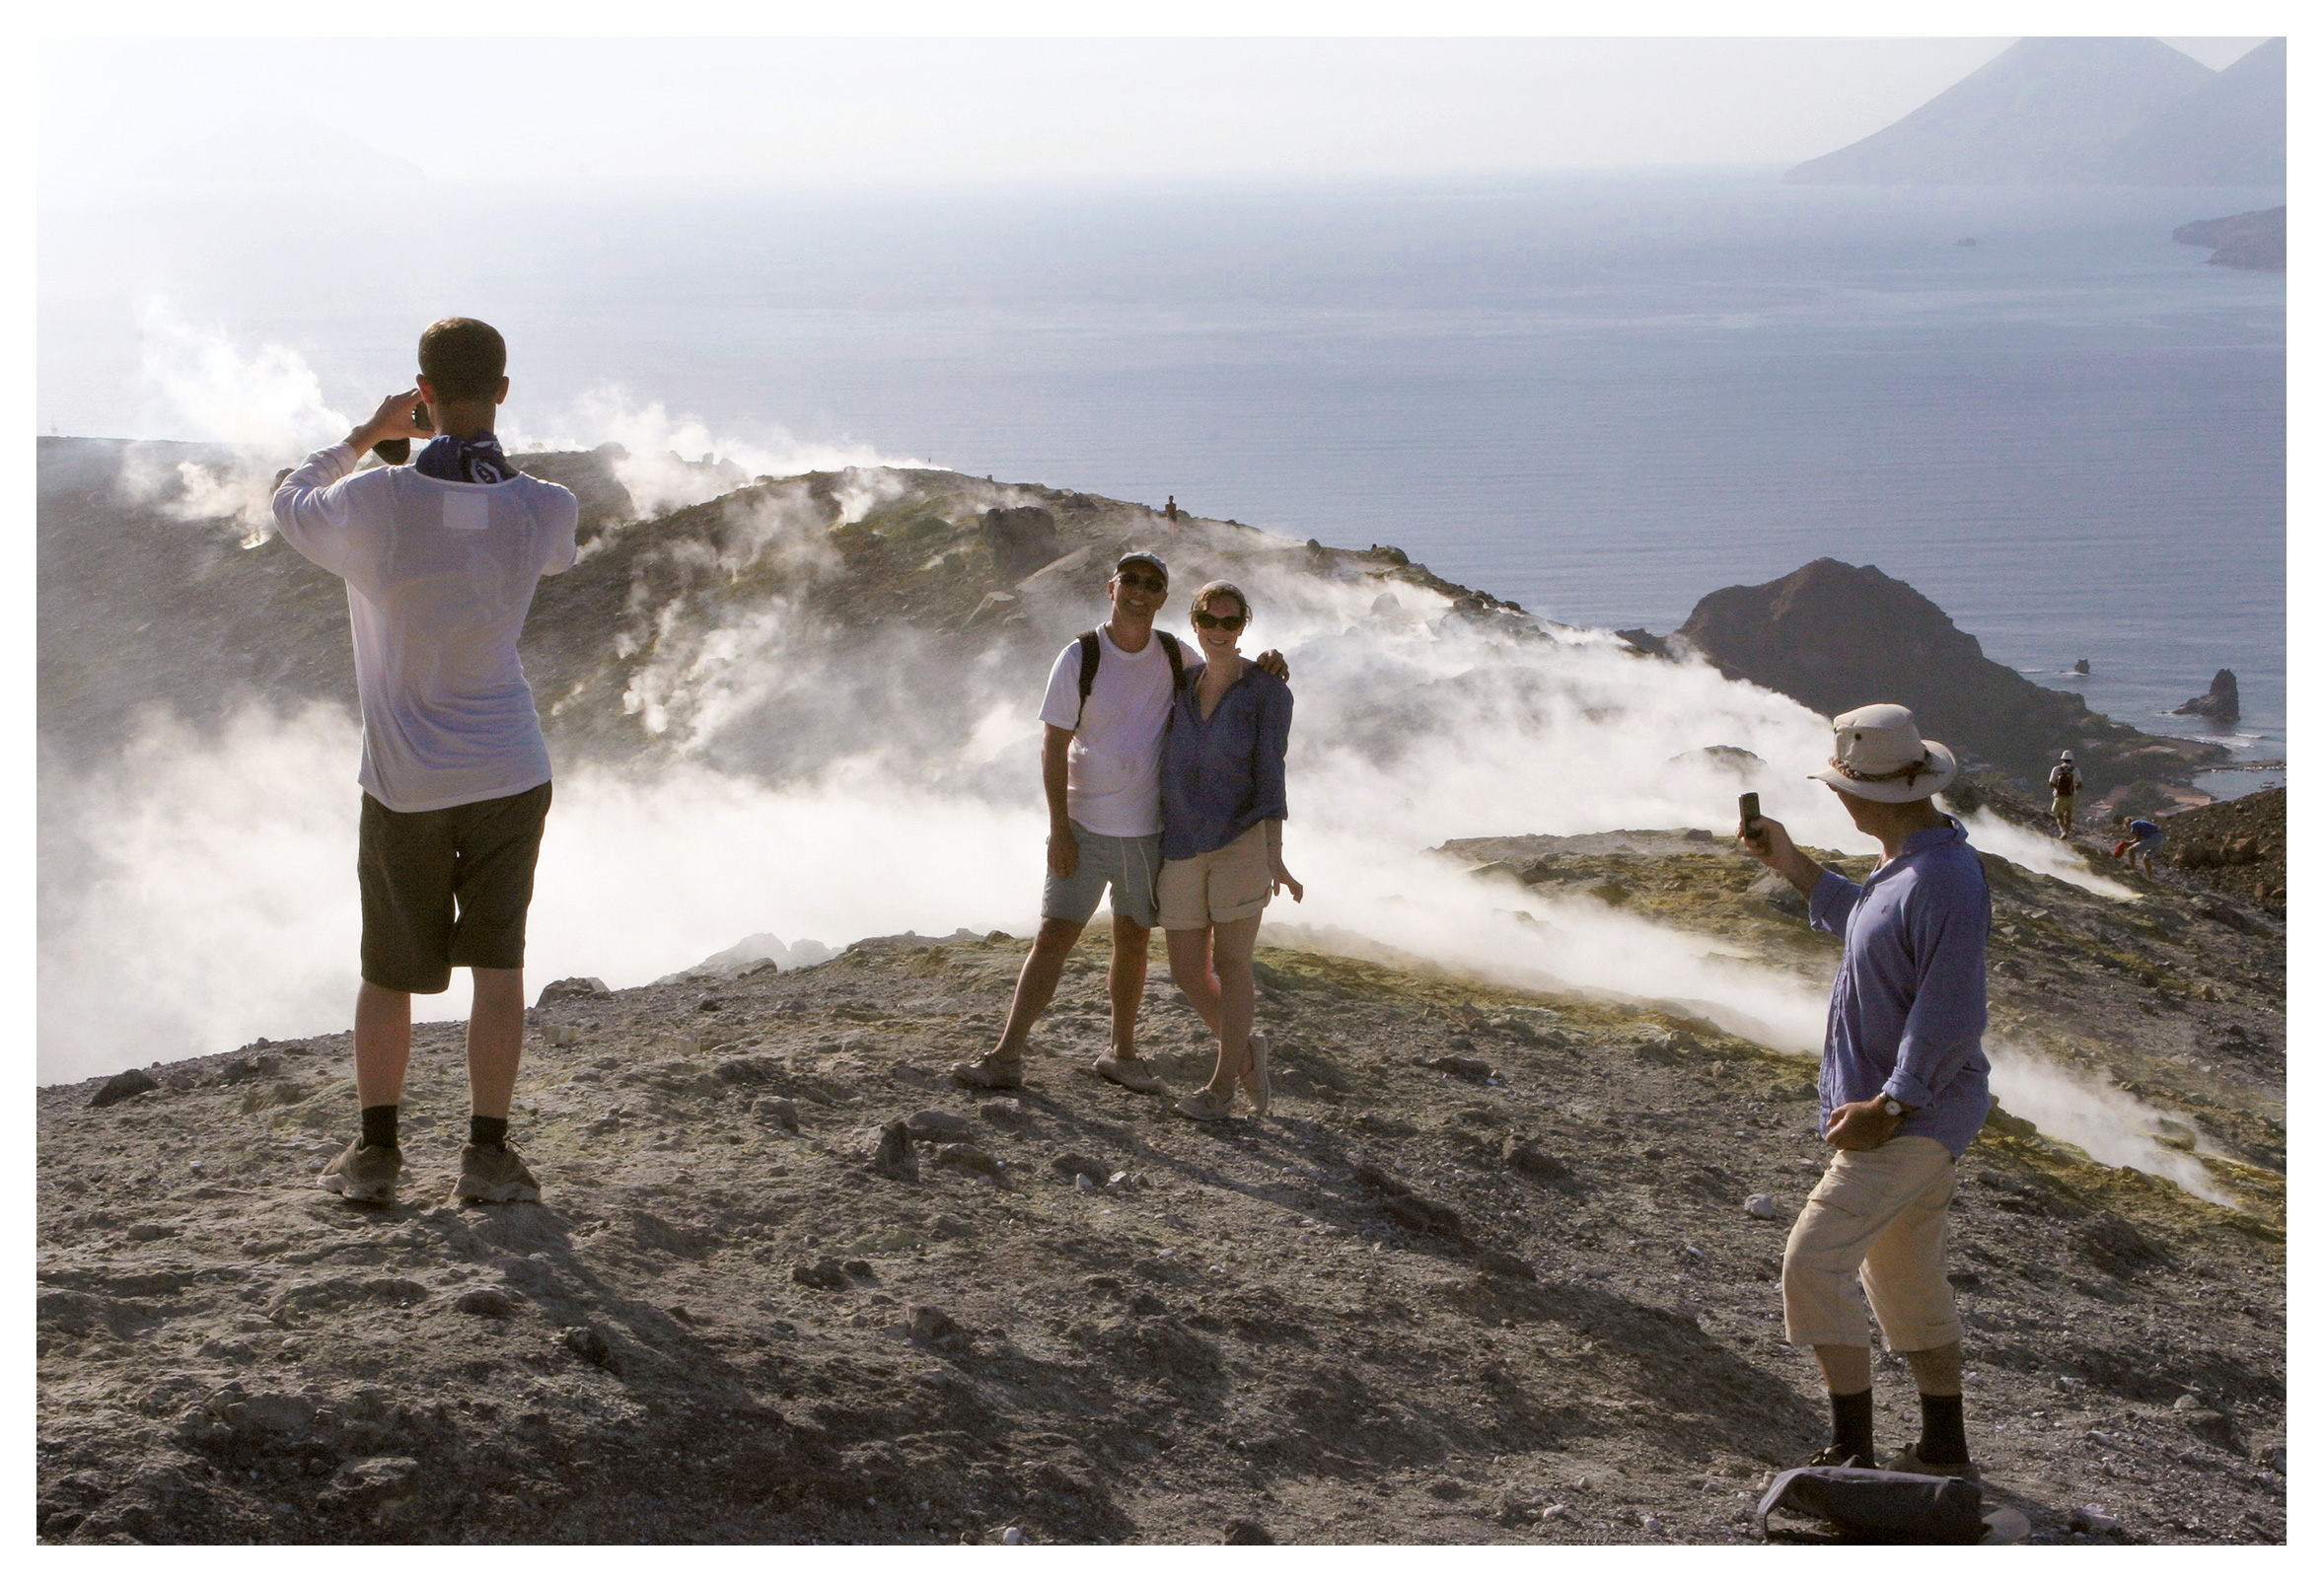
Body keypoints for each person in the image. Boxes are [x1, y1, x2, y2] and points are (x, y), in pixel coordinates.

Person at [271, 318, 579, 1206]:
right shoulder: (545, 508)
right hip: (512, 767)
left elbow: (290, 503)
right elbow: (529, 533)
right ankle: (486, 1156)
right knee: (499, 967)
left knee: (390, 971)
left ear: (424, 391)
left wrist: (366, 439)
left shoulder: (377, 504)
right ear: (506, 389)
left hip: (407, 780)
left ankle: (376, 1157)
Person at [1739, 703, 1992, 1479]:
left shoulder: (1943, 877)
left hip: (1908, 1119)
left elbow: (1950, 1005)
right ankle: (1944, 1449)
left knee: (1812, 1262)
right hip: (1916, 1117)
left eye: (1841, 785)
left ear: (1867, 794)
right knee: (1906, 1277)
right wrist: (1793, 865)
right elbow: (1869, 923)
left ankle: (1852, 1449)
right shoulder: (1912, 865)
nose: (1837, 798)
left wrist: (1892, 1102)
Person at [951, 554, 1286, 1095]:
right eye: (1129, 581)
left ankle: (1123, 1054)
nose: (1139, 591)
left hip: (1148, 832)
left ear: (1162, 599)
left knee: (1131, 945)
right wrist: (1059, 829)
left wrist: (1268, 663)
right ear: (1112, 588)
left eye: (1152, 585)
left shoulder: (1175, 655)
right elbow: (1053, 744)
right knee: (1053, 937)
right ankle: (1006, 1054)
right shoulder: (1080, 655)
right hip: (1083, 827)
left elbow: (1224, 669)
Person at [1159, 582, 1302, 1122]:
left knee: (1232, 963)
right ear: (1194, 623)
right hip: (1180, 840)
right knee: (1186, 972)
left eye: (1230, 622)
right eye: (1208, 621)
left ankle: (1220, 1088)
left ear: (1244, 625)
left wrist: (1275, 854)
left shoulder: (1268, 692)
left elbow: (1272, 773)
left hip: (1241, 839)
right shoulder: (1181, 682)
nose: (1219, 631)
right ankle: (1247, 1054)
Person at [2047, 750, 2080, 838]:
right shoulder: (2075, 770)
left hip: (2059, 795)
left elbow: (2051, 783)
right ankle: (2067, 834)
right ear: (2071, 760)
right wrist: (2072, 789)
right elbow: (2079, 784)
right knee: (2068, 816)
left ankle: (2063, 832)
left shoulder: (2056, 769)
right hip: (2071, 795)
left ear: (2062, 759)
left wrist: (2058, 788)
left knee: (2059, 816)